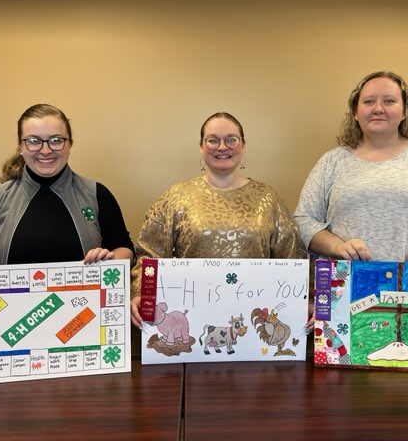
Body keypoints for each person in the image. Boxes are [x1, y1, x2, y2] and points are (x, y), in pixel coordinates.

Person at [0, 103, 134, 291]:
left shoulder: (97, 195)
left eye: (56, 140)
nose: (45, 150)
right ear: (21, 145)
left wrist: (111, 260)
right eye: (34, 141)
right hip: (8, 325)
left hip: (84, 322)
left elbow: (124, 248)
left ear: (70, 144)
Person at [130, 112, 307, 327]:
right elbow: (150, 254)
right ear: (201, 146)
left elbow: (291, 257)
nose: (222, 147)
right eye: (213, 140)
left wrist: (304, 299)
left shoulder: (267, 198)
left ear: (243, 145)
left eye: (231, 139)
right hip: (192, 317)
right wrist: (141, 294)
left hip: (255, 319)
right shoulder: (177, 195)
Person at [295, 71, 408, 268]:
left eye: (389, 101)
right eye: (368, 102)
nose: (378, 108)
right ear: (355, 113)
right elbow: (303, 220)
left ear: (404, 112)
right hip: (347, 286)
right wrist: (336, 246)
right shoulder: (331, 162)